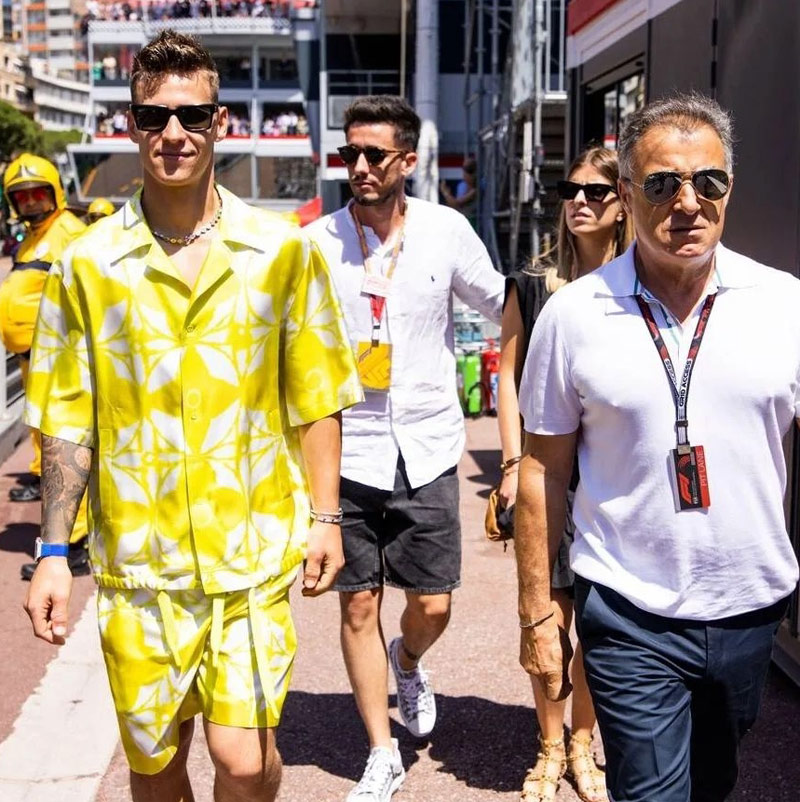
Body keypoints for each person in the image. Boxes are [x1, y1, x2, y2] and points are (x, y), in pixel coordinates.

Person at [22, 29, 362, 802]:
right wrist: (53, 551)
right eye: (154, 117)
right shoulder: (86, 265)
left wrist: (326, 517)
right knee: (157, 766)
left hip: (250, 553)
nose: (173, 133)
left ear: (220, 122)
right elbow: (66, 418)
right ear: (131, 124)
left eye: (193, 115)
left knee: (244, 763)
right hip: (139, 565)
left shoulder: (280, 252)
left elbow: (316, 395)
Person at [516, 92, 800, 802]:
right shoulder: (573, 315)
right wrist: (538, 612)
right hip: (627, 607)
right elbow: (541, 468)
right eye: (662, 183)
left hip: (749, 605)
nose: (688, 203)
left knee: (714, 782)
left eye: (709, 182)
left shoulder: (783, 305)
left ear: (730, 187)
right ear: (626, 192)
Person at [307, 95, 504, 802]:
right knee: (357, 605)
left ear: (409, 161)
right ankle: (381, 751)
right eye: (349, 153)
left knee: (435, 604)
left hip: (428, 444)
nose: (359, 166)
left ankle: (410, 659)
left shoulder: (446, 231)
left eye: (375, 154)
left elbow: (502, 304)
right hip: (347, 448)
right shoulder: (316, 243)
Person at [498, 146, 631, 802]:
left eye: (595, 192)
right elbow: (506, 374)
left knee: (603, 622)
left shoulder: (637, 289)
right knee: (547, 612)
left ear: (623, 204)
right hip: (544, 472)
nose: (579, 201)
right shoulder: (532, 284)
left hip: (611, 477)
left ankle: (583, 742)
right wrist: (508, 463)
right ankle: (550, 744)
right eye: (569, 191)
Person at [0, 153, 91, 579]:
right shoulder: (35, 237)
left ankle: (75, 545)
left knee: (67, 448)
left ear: (55, 191)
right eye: (22, 197)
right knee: (47, 441)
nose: (32, 203)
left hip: (58, 360)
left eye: (38, 193)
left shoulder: (67, 231)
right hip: (33, 359)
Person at [440, 156, 477, 225]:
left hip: (474, 223)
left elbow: (456, 204)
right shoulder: (462, 186)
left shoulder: (477, 189)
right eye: (464, 170)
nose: (465, 174)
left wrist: (445, 193)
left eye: (469, 171)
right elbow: (454, 206)